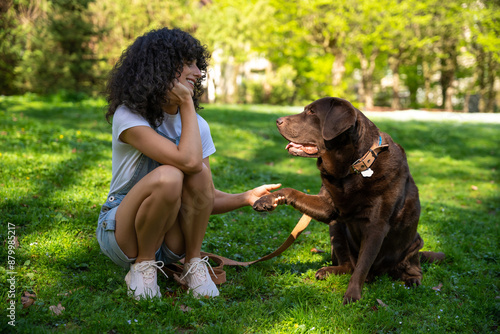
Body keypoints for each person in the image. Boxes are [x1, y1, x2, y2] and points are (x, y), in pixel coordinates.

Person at [96, 27, 280, 300]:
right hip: (124, 231)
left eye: (198, 64)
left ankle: (193, 263)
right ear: (162, 66)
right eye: (188, 64)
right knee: (170, 175)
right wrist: (185, 102)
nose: (199, 72)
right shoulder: (130, 115)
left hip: (170, 238)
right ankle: (143, 265)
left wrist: (245, 197)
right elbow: (189, 161)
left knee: (200, 175)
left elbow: (201, 194)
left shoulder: (198, 126)